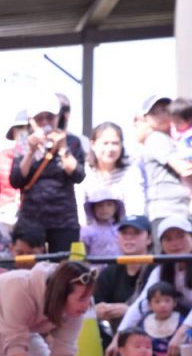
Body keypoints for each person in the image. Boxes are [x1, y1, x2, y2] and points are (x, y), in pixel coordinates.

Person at [9, 93, 86, 254]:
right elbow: (16, 180)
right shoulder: (24, 143)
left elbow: (78, 175)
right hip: (31, 219)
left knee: (62, 268)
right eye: (39, 118)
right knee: (29, 268)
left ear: (58, 117)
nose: (45, 122)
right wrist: (30, 151)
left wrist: (63, 148)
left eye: (49, 117)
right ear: (31, 121)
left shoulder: (72, 141)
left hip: (64, 219)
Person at [114, 215, 192, 356]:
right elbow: (142, 303)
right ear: (161, 244)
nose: (175, 243)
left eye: (180, 236)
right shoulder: (160, 270)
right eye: (168, 239)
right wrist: (119, 336)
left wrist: (182, 332)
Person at [94, 215, 153, 338]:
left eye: (136, 233)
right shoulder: (109, 272)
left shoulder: (158, 269)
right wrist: (100, 310)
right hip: (114, 335)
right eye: (124, 233)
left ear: (149, 239)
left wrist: (129, 310)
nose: (129, 238)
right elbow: (95, 304)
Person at [136, 95, 190, 223]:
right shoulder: (156, 138)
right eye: (154, 113)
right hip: (167, 211)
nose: (162, 116)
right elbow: (184, 168)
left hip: (179, 209)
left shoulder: (178, 138)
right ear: (145, 119)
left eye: (165, 110)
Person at [78, 122, 145, 218]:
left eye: (115, 143)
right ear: (93, 144)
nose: (110, 148)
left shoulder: (131, 172)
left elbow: (136, 209)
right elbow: (79, 208)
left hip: (123, 229)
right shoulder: (84, 172)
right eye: (105, 143)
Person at [137, 282, 184, 356]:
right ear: (149, 304)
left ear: (174, 302)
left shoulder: (181, 321)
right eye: (157, 301)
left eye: (167, 301)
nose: (162, 305)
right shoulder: (144, 321)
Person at [80, 187, 124, 265]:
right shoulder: (86, 231)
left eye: (109, 205)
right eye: (99, 205)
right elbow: (82, 257)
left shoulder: (122, 229)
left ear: (115, 208)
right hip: (96, 272)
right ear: (93, 209)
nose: (104, 209)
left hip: (120, 270)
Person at [172, 98, 192, 191]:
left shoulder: (189, 134)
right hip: (183, 168)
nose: (175, 124)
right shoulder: (174, 131)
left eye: (178, 121)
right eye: (173, 120)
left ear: (189, 120)